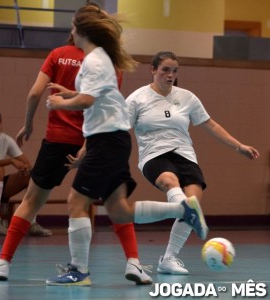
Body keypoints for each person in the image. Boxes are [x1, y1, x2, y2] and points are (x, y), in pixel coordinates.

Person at [42, 5, 208, 286]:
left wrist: (62, 103)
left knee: (76, 202)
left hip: (106, 141)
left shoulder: (94, 60)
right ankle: (184, 210)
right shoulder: (100, 58)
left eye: (72, 27)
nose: (70, 32)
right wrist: (73, 93)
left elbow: (88, 101)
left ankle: (78, 271)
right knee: (119, 210)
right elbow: (98, 95)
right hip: (112, 140)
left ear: (82, 31)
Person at [0, 34, 152, 284]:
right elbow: (106, 106)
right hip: (97, 141)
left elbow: (34, 93)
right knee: (115, 201)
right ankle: (134, 262)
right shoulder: (111, 61)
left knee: (31, 201)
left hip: (57, 140)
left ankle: (2, 264)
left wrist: (28, 124)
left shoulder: (57, 54)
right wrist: (87, 144)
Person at [126, 51, 260, 275]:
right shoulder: (137, 99)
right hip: (154, 155)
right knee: (170, 181)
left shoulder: (187, 97)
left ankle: (169, 259)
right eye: (165, 70)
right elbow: (118, 129)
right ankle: (185, 210)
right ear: (153, 70)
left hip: (185, 155)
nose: (170, 75)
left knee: (194, 201)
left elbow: (211, 125)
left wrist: (239, 146)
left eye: (174, 71)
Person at [0, 105, 51, 236]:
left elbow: (26, 162)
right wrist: (11, 160)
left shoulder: (5, 139)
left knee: (31, 175)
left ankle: (30, 222)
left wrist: (24, 168)